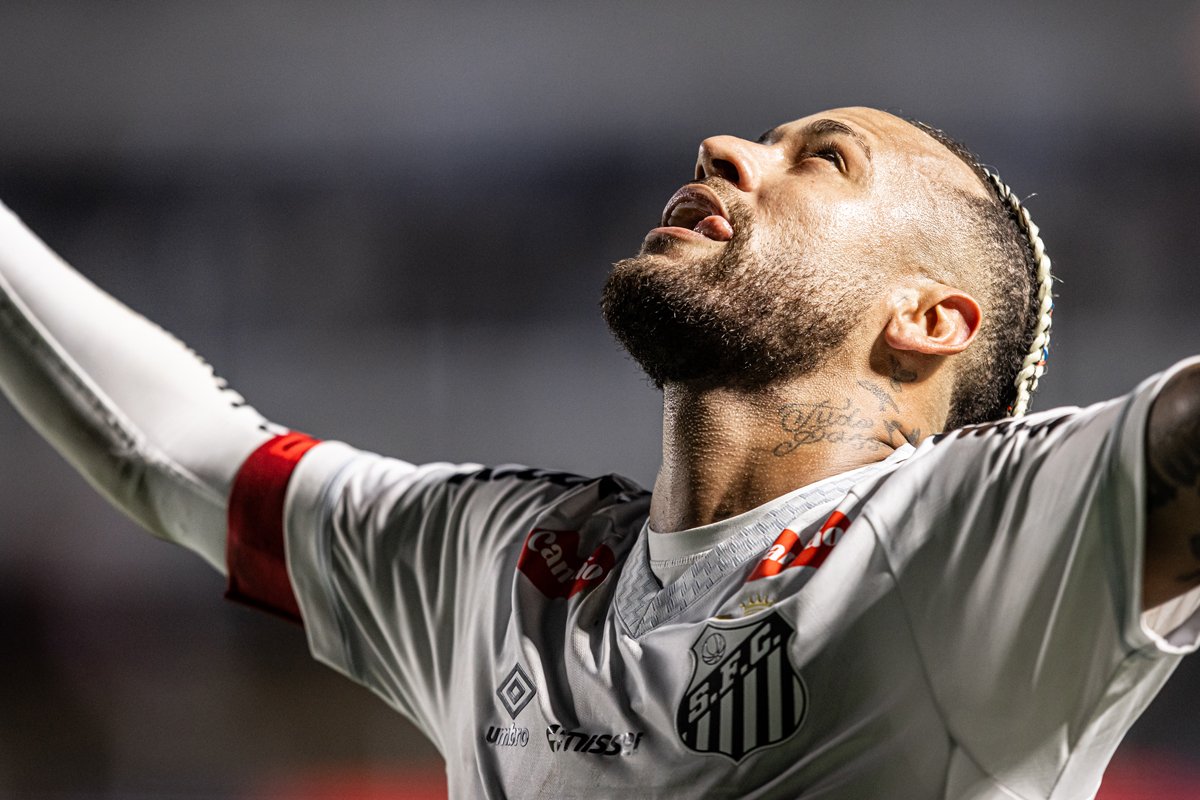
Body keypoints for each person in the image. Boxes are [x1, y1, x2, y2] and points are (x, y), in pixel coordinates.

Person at [1, 105, 1198, 799]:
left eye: (821, 158)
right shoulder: (508, 565)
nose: (731, 147)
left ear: (929, 320)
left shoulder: (981, 539)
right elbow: (174, 449)